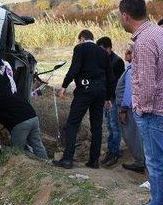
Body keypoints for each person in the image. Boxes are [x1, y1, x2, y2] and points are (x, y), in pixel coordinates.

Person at [119, 0, 163, 205]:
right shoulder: (159, 31)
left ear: (125, 15)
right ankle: (161, 199)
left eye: (119, 16)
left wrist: (140, 111)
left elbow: (145, 84)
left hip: (154, 110)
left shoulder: (143, 42)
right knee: (157, 160)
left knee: (155, 162)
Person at [53, 29, 113, 170]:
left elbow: (75, 68)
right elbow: (110, 76)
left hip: (85, 89)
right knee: (96, 126)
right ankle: (94, 161)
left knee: (73, 123)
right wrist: (108, 97)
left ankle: (67, 159)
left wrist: (64, 86)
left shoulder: (80, 48)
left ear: (82, 38)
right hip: (100, 91)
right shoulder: (103, 52)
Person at [0, 60, 48, 159]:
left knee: (16, 152)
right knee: (37, 145)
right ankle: (46, 165)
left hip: (20, 122)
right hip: (33, 117)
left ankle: (18, 170)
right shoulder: (10, 90)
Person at [115, 43, 145, 173]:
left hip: (130, 109)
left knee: (132, 135)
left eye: (129, 52)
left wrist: (123, 110)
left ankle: (139, 162)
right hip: (136, 107)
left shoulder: (132, 70)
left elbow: (129, 92)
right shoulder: (136, 68)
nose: (126, 54)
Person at [97, 37, 125, 167]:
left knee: (115, 126)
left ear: (109, 48)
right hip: (105, 97)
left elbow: (117, 84)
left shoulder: (117, 61)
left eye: (102, 49)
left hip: (113, 98)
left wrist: (110, 98)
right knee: (108, 125)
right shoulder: (102, 59)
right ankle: (110, 150)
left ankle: (115, 152)